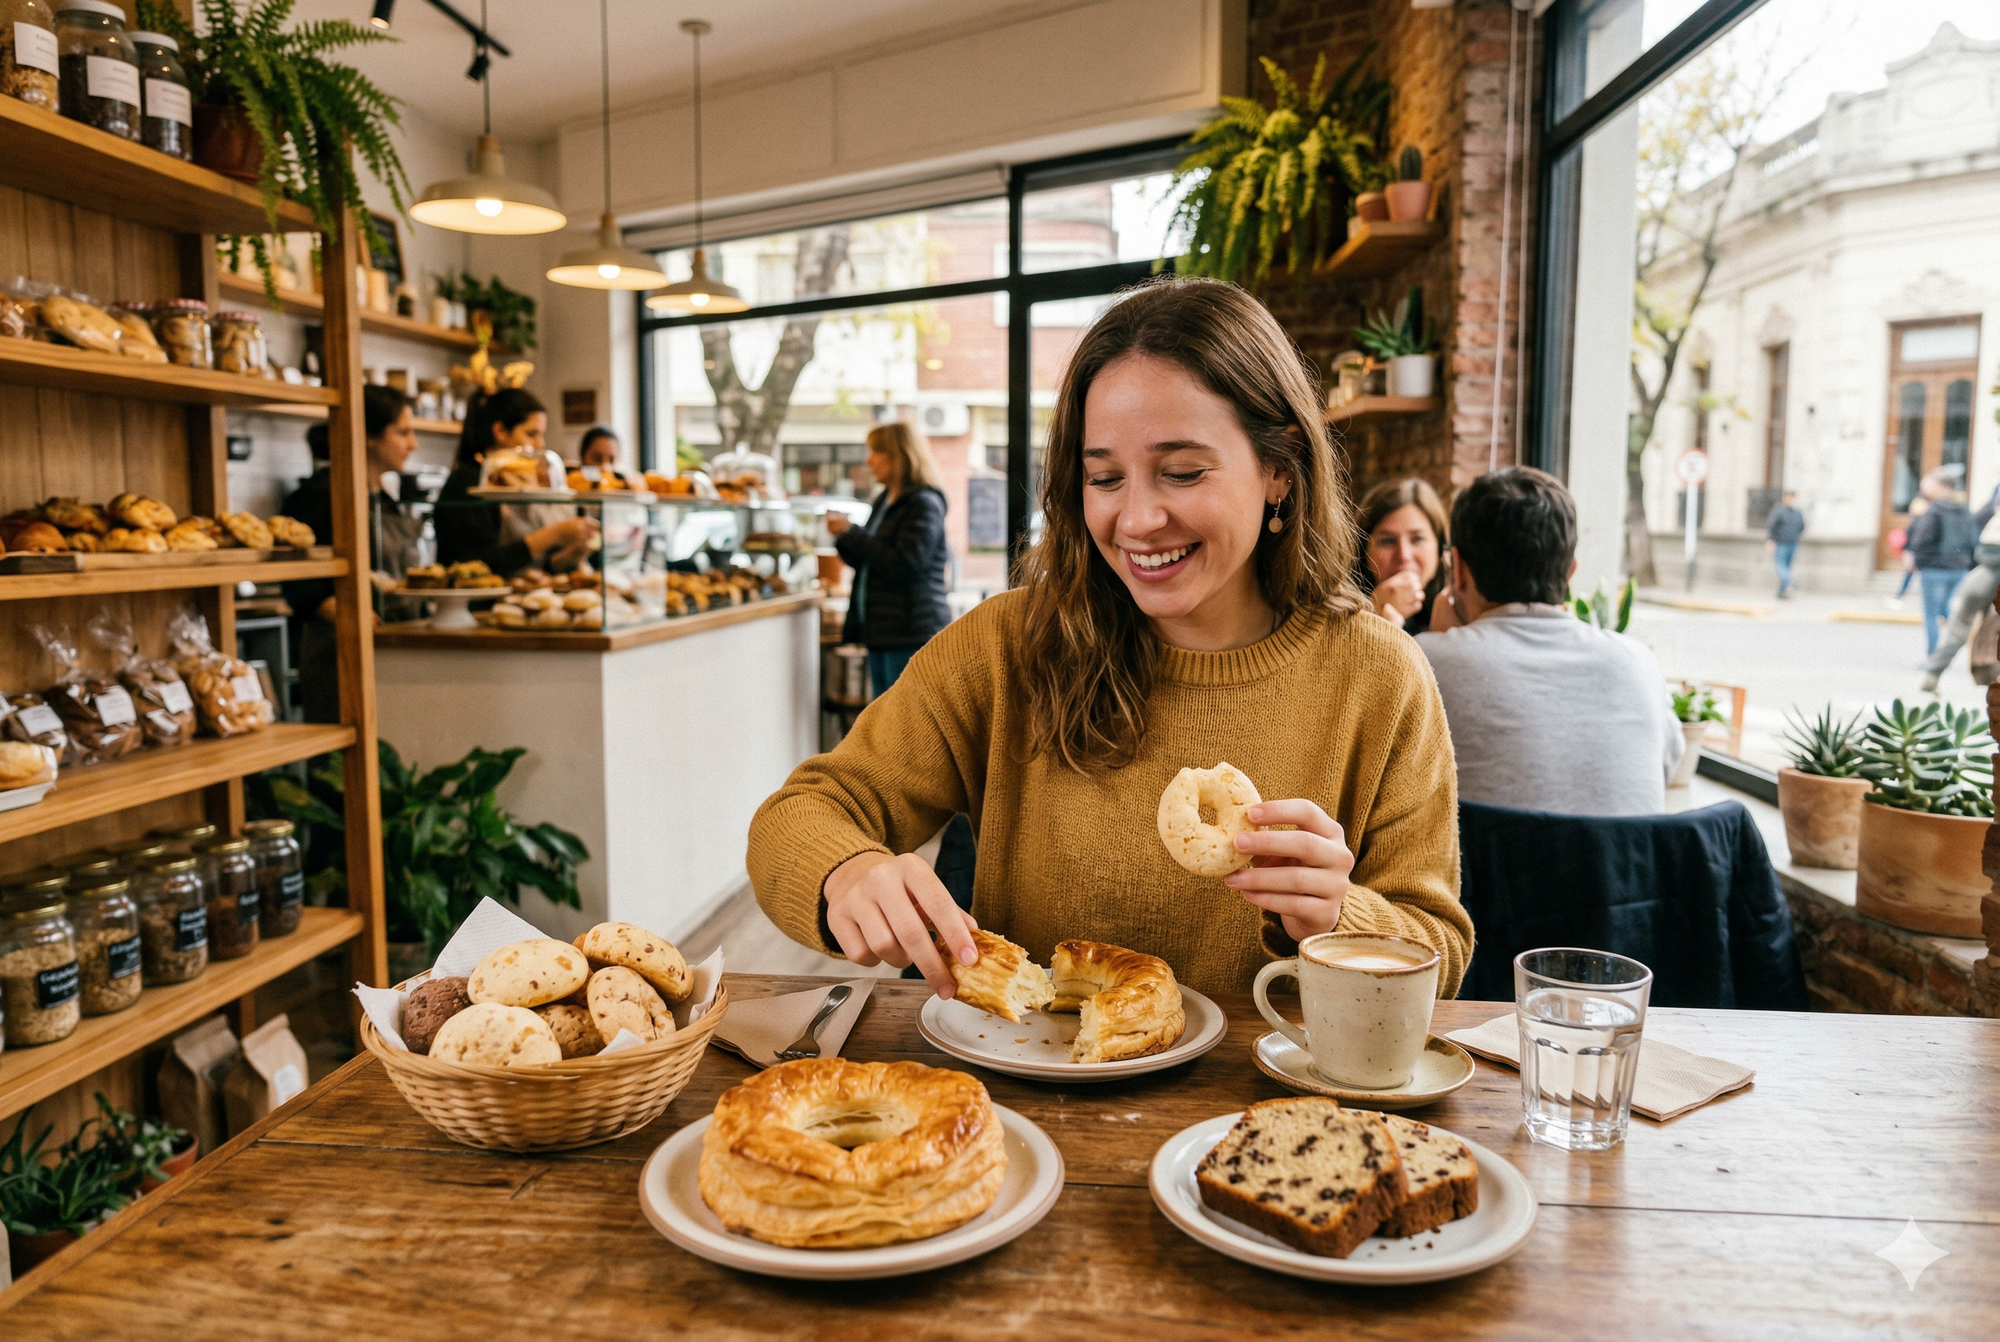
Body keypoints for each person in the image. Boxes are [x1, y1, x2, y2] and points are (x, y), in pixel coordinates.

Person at [748, 277, 1470, 1000]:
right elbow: (798, 814)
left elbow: (1441, 948)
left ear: (1279, 468)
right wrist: (847, 872)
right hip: (1031, 1102)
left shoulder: (1379, 677)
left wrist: (1341, 916)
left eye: (1182, 472)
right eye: (1104, 478)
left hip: (1268, 1105)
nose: (1137, 520)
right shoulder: (1008, 647)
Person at [1419, 467, 1684, 816]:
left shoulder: (1424, 661)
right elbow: (1666, 769)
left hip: (1483, 872)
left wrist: (1436, 645)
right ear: (1570, 571)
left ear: (1458, 568)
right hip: (1620, 870)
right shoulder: (1638, 662)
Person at [279, 385, 427, 724]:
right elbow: (297, 580)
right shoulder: (320, 496)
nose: (413, 444)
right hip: (340, 650)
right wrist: (349, 615)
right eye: (403, 432)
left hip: (392, 646)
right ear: (369, 436)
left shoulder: (385, 500)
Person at [823, 422, 953, 696]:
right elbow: (870, 560)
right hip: (882, 632)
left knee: (906, 722)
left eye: (876, 451)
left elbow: (905, 563)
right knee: (886, 720)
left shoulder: (923, 504)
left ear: (899, 454)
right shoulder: (885, 501)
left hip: (910, 632)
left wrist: (852, 533)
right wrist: (844, 537)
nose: (868, 460)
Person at [435, 388, 599, 577]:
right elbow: (476, 565)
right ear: (500, 431)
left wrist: (567, 556)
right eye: (531, 434)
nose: (540, 444)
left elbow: (529, 568)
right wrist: (554, 534)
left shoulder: (521, 481)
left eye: (542, 435)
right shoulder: (469, 482)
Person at [1920, 479, 2000, 692]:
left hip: (1984, 569)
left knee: (1959, 624)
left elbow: (1979, 521)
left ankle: (1933, 671)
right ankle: (1992, 677)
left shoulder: (1997, 492)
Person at [1355, 477, 1448, 634]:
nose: (1404, 555)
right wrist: (1372, 616)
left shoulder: (1462, 611)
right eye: (1387, 541)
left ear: (1439, 546)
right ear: (1363, 550)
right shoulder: (1337, 612)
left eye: (1417, 539)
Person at [1903, 470, 1975, 656]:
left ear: (1942, 486)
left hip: (1934, 569)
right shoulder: (1964, 508)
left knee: (1931, 613)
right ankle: (1956, 646)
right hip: (1959, 568)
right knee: (1945, 609)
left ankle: (1934, 656)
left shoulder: (1934, 509)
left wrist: (1916, 558)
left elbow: (1922, 539)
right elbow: (1972, 538)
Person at [1766, 490, 1805, 598]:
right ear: (1785, 498)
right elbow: (1771, 527)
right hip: (1781, 543)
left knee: (1787, 568)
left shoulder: (1797, 513)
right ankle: (1790, 582)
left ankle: (1781, 592)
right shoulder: (1779, 511)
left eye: (1792, 498)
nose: (1790, 500)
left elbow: (1802, 526)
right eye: (1789, 497)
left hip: (1793, 544)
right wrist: (1770, 541)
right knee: (1780, 566)